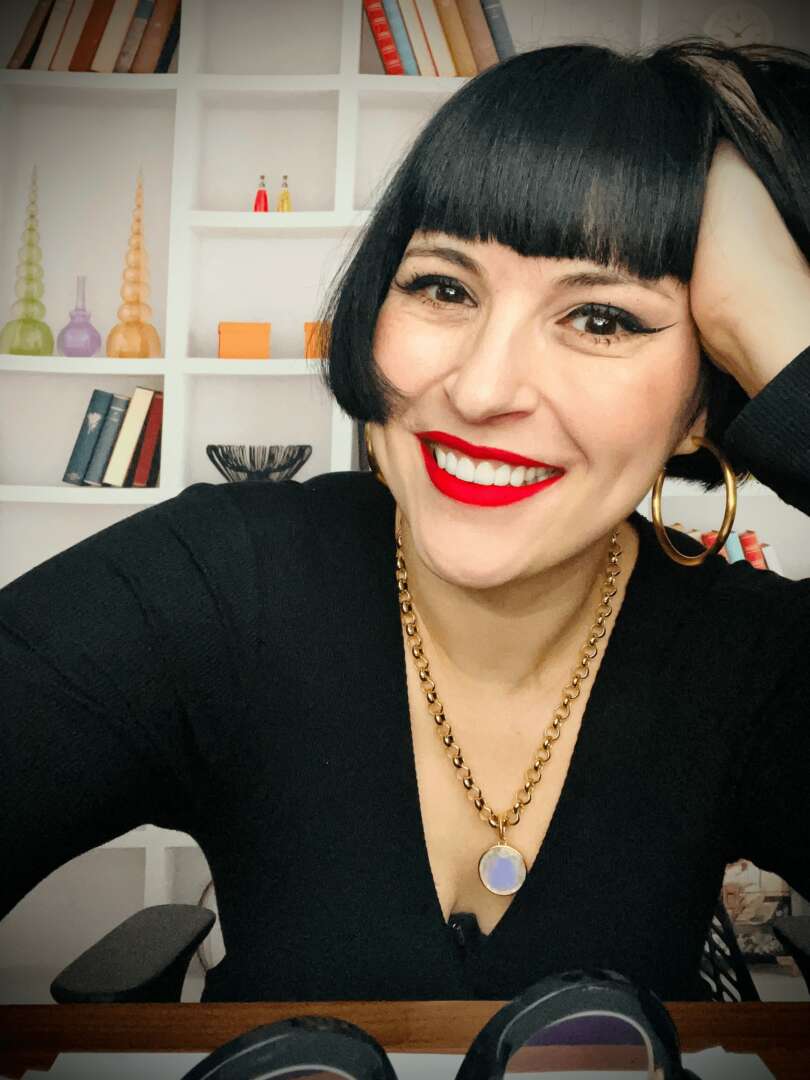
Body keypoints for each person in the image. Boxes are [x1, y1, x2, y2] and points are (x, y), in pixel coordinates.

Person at [2, 37, 810, 1006]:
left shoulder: (750, 655)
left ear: (706, 399)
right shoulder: (219, 578)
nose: (480, 389)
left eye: (601, 318)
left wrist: (790, 335)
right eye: (444, 287)